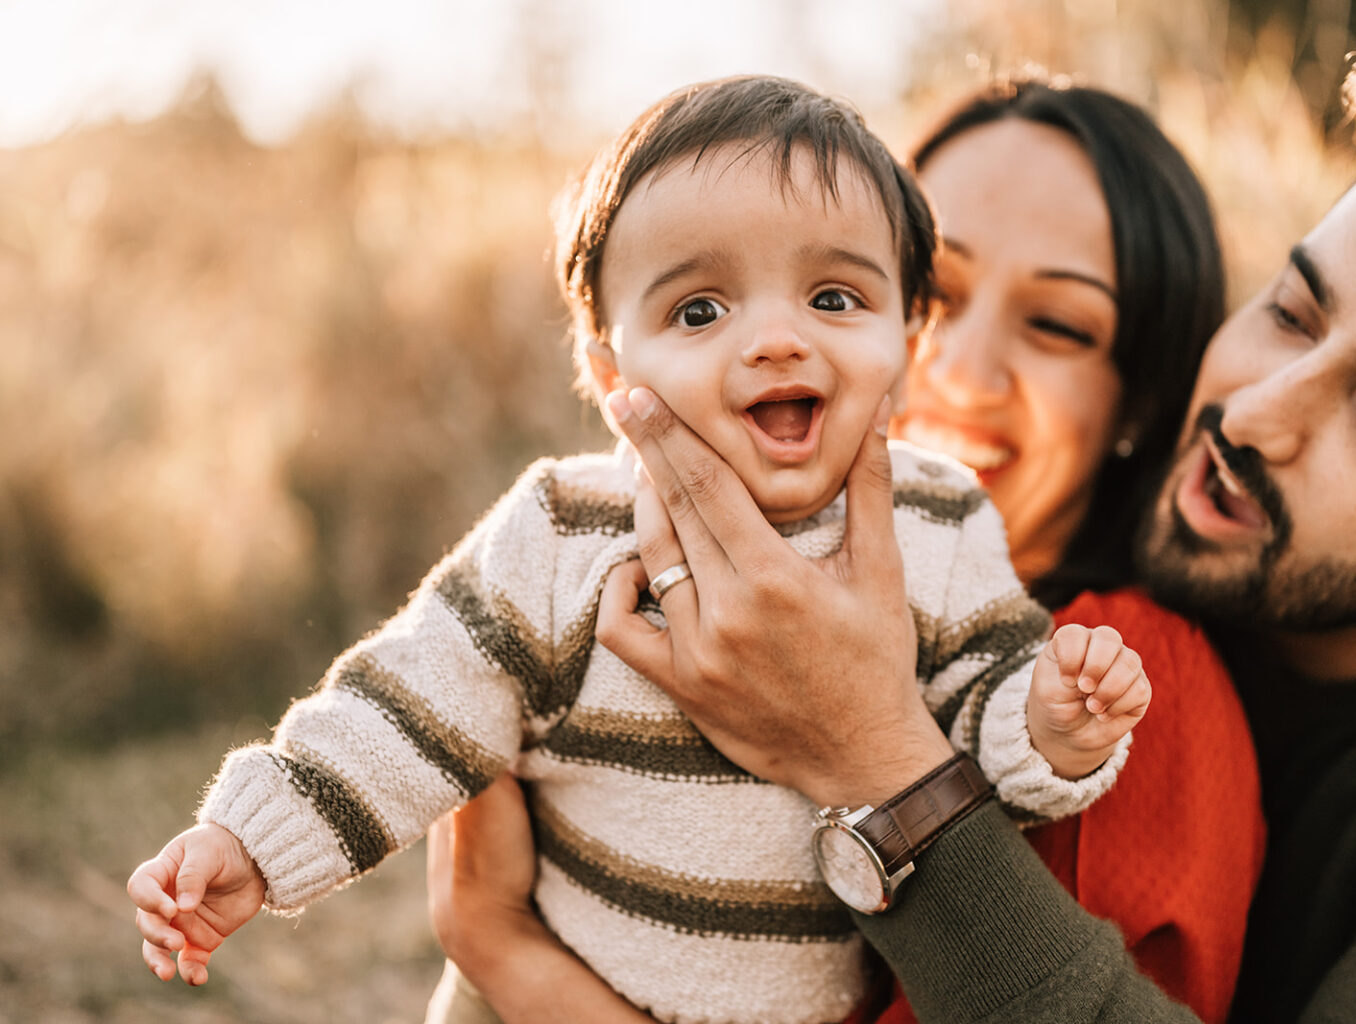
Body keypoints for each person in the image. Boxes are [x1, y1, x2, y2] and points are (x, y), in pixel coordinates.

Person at [436, 19, 1356, 1024]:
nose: (941, 367)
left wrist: (514, 957)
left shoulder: (1114, 691)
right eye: (906, 291)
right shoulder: (626, 567)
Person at [126, 75, 1157, 1024]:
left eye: (833, 298)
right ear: (608, 367)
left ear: (904, 343)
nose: (775, 340)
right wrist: (257, 841)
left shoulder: (939, 523)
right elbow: (412, 696)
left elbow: (985, 708)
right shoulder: (569, 527)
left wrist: (1051, 722)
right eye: (699, 309)